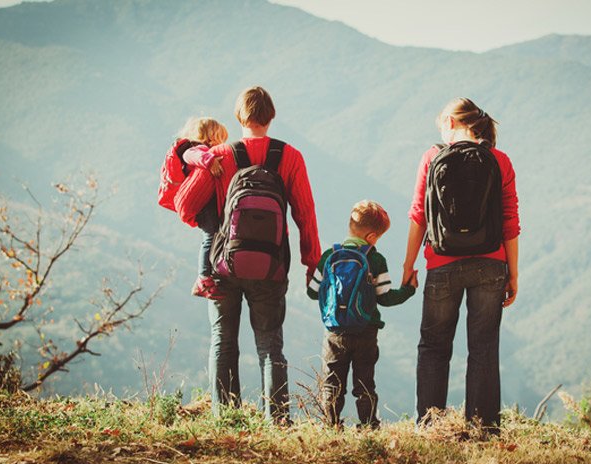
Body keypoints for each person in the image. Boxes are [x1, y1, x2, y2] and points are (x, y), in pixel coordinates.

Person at [184, 86, 321, 423]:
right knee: (270, 347)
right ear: (270, 117)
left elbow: (184, 205)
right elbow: (305, 214)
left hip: (223, 264)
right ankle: (277, 420)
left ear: (239, 117)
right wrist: (311, 262)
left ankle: (226, 418)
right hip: (272, 268)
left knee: (223, 341)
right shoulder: (290, 157)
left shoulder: (221, 155)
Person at [402, 97, 520, 433]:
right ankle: (483, 428)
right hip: (491, 264)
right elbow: (510, 220)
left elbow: (417, 215)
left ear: (451, 123)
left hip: (442, 264)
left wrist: (408, 265)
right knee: (483, 347)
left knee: (434, 347)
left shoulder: (432, 156)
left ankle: (430, 425)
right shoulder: (499, 160)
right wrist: (513, 272)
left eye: (441, 123)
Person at [307, 200, 418, 428]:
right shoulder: (375, 259)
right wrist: (409, 289)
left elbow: (312, 293)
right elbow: (386, 298)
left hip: (335, 331)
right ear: (372, 236)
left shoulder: (330, 255)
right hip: (366, 331)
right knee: (364, 381)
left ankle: (331, 425)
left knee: (333, 381)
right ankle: (368, 425)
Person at [158, 117, 228, 299]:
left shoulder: (200, 149)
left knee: (212, 237)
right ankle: (203, 278)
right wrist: (210, 161)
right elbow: (191, 155)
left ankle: (208, 275)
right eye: (220, 137)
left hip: (205, 203)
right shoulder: (195, 148)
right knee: (209, 237)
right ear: (211, 136)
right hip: (204, 206)